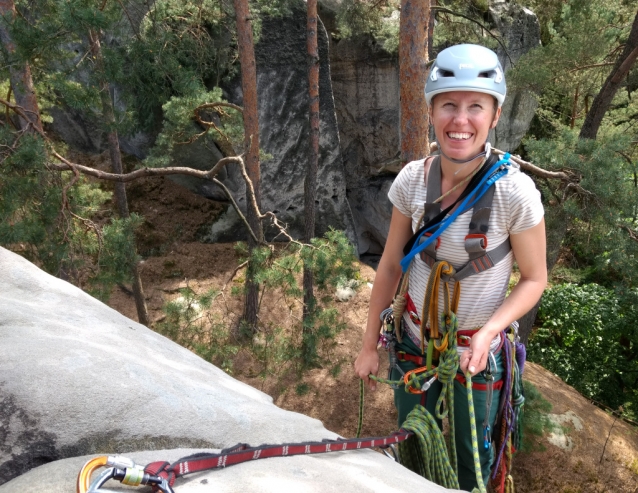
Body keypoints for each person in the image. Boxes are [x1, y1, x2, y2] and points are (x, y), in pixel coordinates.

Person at [354, 44, 547, 491]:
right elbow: (388, 267)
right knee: (412, 447)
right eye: (449, 105)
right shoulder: (413, 180)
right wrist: (369, 344)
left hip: (474, 357)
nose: (460, 120)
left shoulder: (514, 193)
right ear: (432, 111)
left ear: (494, 116)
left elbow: (535, 279)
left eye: (475, 106)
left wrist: (489, 331)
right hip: (414, 344)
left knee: (471, 464)